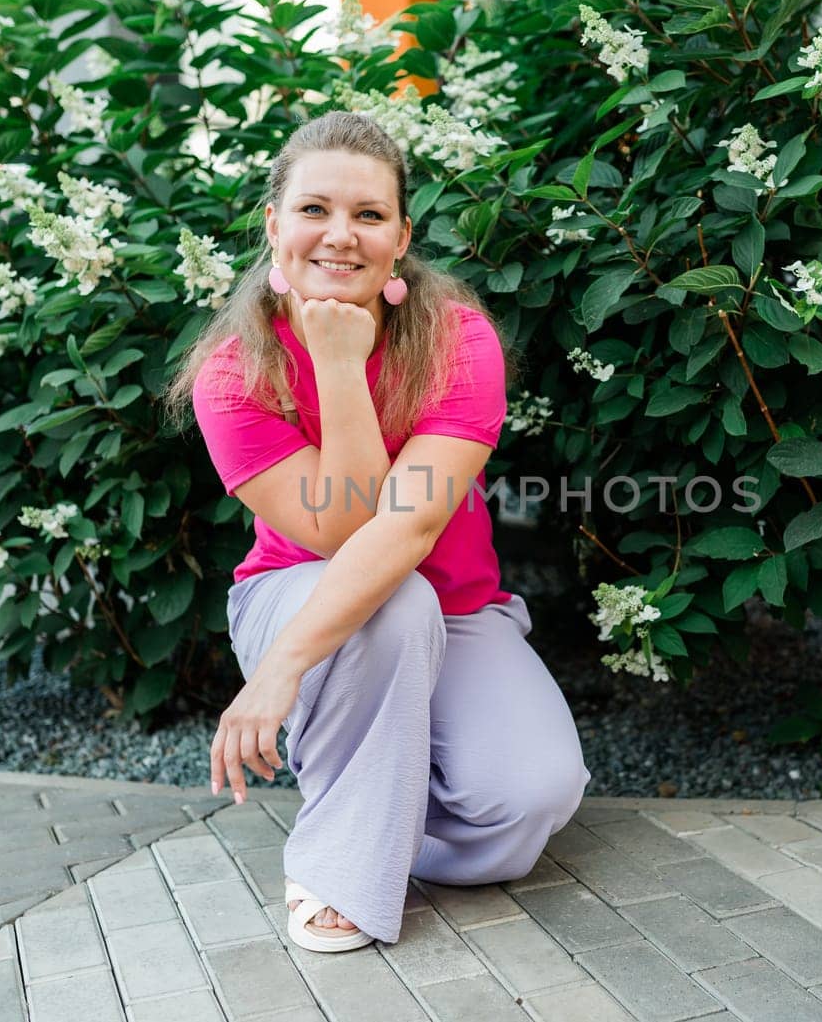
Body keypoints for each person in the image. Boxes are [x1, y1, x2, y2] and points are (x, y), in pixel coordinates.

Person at [166, 111, 590, 953]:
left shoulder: (456, 338)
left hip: (459, 607)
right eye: (315, 209)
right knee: (391, 607)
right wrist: (331, 360)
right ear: (274, 225)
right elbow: (339, 532)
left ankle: (376, 815)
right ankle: (336, 863)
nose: (341, 235)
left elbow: (404, 527)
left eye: (368, 215)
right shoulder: (232, 370)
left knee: (529, 800)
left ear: (401, 236)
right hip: (300, 597)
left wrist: (279, 679)